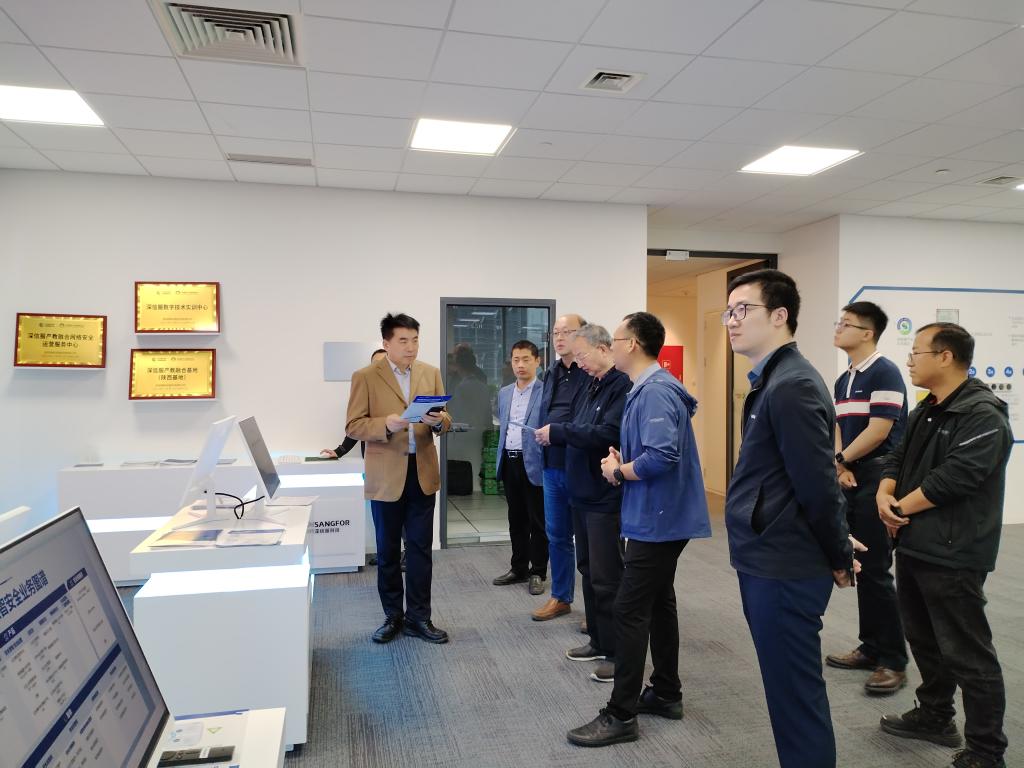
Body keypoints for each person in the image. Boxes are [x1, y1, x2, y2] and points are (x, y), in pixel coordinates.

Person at [722, 269, 857, 768]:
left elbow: (818, 484)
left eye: (743, 310)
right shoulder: (774, 380)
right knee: (786, 691)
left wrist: (838, 550)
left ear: (780, 316)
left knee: (795, 696)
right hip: (770, 554)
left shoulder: (791, 384)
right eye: (728, 312)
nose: (732, 321)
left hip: (784, 565)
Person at [567, 312, 710, 747]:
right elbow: (653, 449)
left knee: (630, 610)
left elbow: (662, 456)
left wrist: (619, 470)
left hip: (659, 518)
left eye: (616, 338)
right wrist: (624, 458)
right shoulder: (646, 388)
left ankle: (621, 714)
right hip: (659, 515)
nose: (610, 346)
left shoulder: (655, 391)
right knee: (660, 602)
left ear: (631, 344)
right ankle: (666, 692)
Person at [877, 323, 1011, 768]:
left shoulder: (982, 414)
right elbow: (898, 455)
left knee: (968, 652)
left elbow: (955, 478)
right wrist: (885, 493)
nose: (909, 360)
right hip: (916, 542)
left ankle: (987, 750)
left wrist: (898, 508)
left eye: (916, 352)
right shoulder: (929, 407)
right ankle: (935, 716)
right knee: (924, 639)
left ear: (946, 357)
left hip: (954, 551)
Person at [346, 313, 452, 645]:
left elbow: (446, 418)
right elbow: (353, 426)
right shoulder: (365, 377)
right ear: (387, 343)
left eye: (415, 340)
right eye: (403, 340)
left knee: (420, 549)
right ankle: (393, 615)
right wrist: (385, 425)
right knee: (388, 550)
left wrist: (439, 422)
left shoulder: (430, 373)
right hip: (385, 475)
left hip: (422, 472)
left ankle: (419, 617)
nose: (410, 347)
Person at [535, 324, 630, 684]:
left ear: (604, 349)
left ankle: (619, 654)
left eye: (583, 356)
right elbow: (579, 424)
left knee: (608, 576)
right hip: (581, 491)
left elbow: (608, 432)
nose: (580, 363)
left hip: (604, 496)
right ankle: (599, 641)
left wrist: (559, 432)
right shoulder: (591, 384)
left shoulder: (621, 385)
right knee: (589, 570)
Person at [825, 302, 909, 694]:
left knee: (876, 568)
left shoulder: (885, 371)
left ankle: (893, 660)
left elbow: (879, 431)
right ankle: (871, 647)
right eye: (838, 322)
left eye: (846, 324)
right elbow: (840, 427)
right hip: (853, 473)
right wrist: (841, 466)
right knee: (861, 564)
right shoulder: (844, 378)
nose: (838, 328)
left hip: (879, 473)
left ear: (867, 333)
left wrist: (841, 460)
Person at [532, 314, 588, 622]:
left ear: (583, 334)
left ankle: (597, 608)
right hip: (552, 465)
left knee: (591, 541)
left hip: (582, 466)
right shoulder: (551, 372)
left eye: (567, 331)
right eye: (556, 332)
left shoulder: (590, 371)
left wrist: (557, 431)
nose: (560, 337)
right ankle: (561, 597)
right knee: (557, 536)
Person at [493, 340, 547, 595]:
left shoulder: (545, 391)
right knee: (516, 519)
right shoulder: (504, 392)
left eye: (526, 359)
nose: (520, 365)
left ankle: (538, 572)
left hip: (533, 462)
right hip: (509, 460)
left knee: (538, 520)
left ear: (537, 361)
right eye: (516, 360)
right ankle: (518, 568)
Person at [323, 348, 387, 459]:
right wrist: (339, 451)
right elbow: (357, 426)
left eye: (385, 362)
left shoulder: (403, 390)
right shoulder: (365, 390)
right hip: (372, 455)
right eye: (376, 363)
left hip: (399, 455)